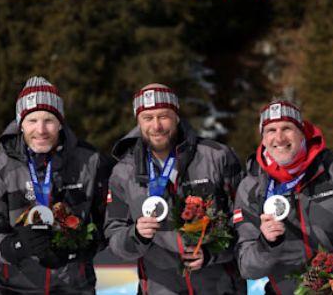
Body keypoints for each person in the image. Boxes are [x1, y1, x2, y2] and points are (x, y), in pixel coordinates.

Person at [235, 99, 333, 294]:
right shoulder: (251, 188)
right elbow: (246, 267)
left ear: (302, 132)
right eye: (271, 131)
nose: (279, 138)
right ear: (263, 139)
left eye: (287, 128)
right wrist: (267, 243)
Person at [105, 84, 245, 294]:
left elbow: (246, 223)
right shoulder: (123, 173)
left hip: (219, 287)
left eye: (164, 116)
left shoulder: (218, 157)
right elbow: (114, 234)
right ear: (138, 122)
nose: (156, 126)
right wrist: (136, 235)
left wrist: (211, 253)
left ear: (177, 117)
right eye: (148, 118)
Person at [0, 77, 113, 294]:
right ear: (20, 124)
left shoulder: (91, 162)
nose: (41, 130)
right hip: (13, 288)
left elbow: (110, 224)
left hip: (74, 287)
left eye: (49, 120)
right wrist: (16, 246)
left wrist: (77, 249)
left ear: (60, 122)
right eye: (32, 121)